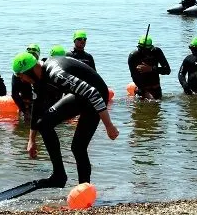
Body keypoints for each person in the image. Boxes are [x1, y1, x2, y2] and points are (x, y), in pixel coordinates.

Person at [12, 52, 119, 187]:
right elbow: (37, 108)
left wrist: (108, 125)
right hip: (80, 96)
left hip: (96, 96)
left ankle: (84, 187)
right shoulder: (38, 80)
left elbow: (92, 93)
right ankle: (59, 176)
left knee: (78, 147)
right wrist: (31, 140)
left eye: (21, 76)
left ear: (31, 70)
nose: (22, 80)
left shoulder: (56, 73)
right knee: (43, 124)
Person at [128, 35, 171, 99]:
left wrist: (151, 69)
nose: (143, 52)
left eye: (146, 50)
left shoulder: (157, 52)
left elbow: (167, 70)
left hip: (156, 88)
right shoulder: (133, 56)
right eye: (141, 49)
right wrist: (144, 92)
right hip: (142, 90)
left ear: (151, 48)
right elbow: (134, 76)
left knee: (156, 104)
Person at [11, 44, 40, 117]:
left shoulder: (40, 68)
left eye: (34, 55)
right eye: (30, 54)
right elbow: (14, 94)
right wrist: (24, 110)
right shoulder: (18, 71)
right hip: (25, 104)